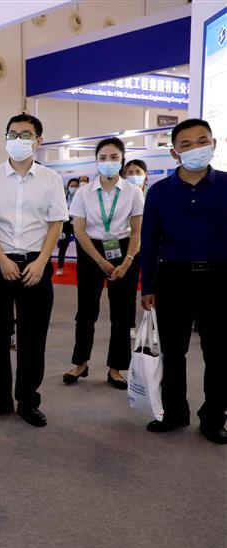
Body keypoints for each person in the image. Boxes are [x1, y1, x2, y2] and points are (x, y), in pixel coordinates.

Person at [0, 113, 69, 428]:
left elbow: (56, 223)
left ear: (38, 140)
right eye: (12, 134)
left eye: (25, 135)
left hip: (35, 266)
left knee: (32, 339)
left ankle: (28, 401)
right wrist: (1, 260)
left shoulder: (50, 179)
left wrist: (41, 262)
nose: (18, 140)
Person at [141, 118, 227, 444]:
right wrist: (147, 286)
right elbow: (149, 241)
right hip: (173, 279)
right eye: (186, 144)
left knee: (218, 354)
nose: (195, 149)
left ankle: (214, 418)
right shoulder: (159, 191)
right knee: (173, 351)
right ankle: (174, 412)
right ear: (174, 152)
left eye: (202, 141)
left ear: (213, 144)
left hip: (219, 278)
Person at [62, 137, 143, 390]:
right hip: (91, 250)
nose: (108, 162)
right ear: (96, 161)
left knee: (122, 313)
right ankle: (81, 363)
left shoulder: (133, 192)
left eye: (114, 157)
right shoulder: (84, 192)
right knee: (86, 312)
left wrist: (127, 262)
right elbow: (79, 231)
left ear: (122, 160)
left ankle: (115, 368)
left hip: (124, 250)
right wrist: (100, 261)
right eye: (103, 158)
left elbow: (137, 232)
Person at [57, 177, 80, 275]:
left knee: (81, 246)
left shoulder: (81, 197)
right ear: (68, 186)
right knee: (63, 246)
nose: (74, 188)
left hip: (78, 223)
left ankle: (81, 267)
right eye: (72, 186)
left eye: (76, 186)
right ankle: (60, 268)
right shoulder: (63, 197)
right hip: (65, 224)